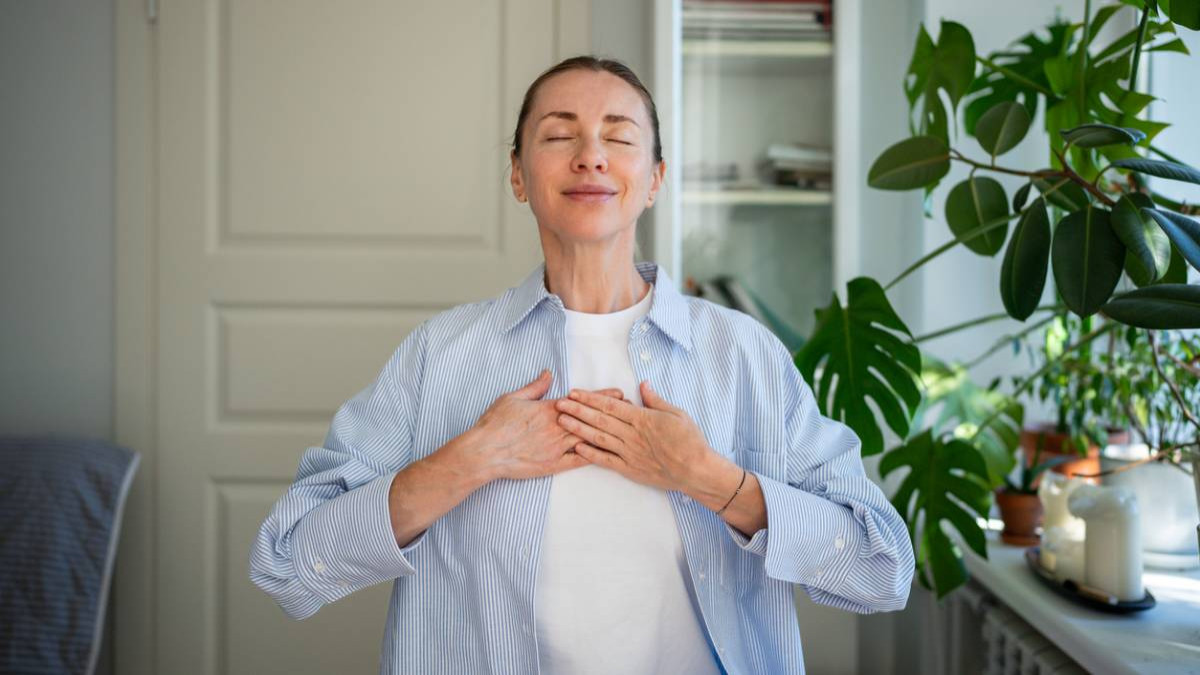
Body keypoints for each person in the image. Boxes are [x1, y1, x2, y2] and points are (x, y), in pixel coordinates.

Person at [249, 55, 915, 675]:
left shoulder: (744, 357)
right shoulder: (438, 356)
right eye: (559, 136)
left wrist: (708, 478)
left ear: (654, 178)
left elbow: (881, 568)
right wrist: (467, 462)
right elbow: (287, 561)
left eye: (619, 137)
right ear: (517, 174)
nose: (591, 156)